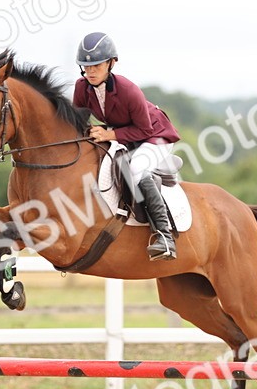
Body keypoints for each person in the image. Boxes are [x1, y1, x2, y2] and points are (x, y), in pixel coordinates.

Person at [73, 32, 180, 261]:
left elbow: (145, 130)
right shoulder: (81, 87)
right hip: (125, 137)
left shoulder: (128, 90)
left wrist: (109, 134)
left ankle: (164, 235)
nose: (90, 71)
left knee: (135, 168)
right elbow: (77, 122)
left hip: (155, 135)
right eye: (86, 66)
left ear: (111, 63)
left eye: (96, 65)